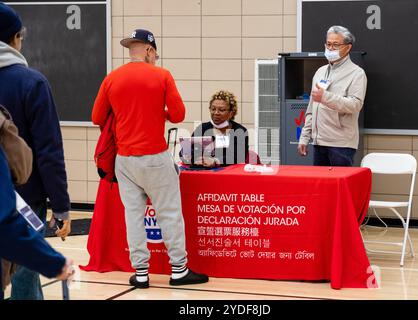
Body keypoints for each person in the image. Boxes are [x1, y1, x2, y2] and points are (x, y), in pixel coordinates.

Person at [91, 29, 208, 288]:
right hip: (155, 156)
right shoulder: (161, 75)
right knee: (169, 213)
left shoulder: (111, 78)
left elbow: (97, 118)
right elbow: (178, 114)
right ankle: (179, 270)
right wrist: (162, 112)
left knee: (133, 215)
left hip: (124, 159)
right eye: (155, 54)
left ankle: (141, 273)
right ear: (149, 50)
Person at [0, 2, 71, 300]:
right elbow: (48, 151)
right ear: (16, 38)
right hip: (24, 202)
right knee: (25, 281)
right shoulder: (32, 82)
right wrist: (61, 204)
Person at [0, 145, 74, 300]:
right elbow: (49, 152)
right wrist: (55, 263)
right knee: (24, 274)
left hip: (22, 196)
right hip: (26, 194)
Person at [298, 25, 367, 167]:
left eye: (335, 45)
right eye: (328, 44)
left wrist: (325, 97)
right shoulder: (320, 72)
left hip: (341, 145)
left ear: (348, 48)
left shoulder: (357, 73)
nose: (330, 48)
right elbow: (312, 108)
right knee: (320, 188)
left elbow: (355, 105)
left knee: (338, 188)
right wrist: (304, 137)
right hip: (319, 142)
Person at [181, 90, 249, 168]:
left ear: (231, 113)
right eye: (213, 109)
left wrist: (215, 161)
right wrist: (189, 156)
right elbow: (186, 151)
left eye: (221, 110)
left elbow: (239, 156)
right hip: (204, 172)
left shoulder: (239, 131)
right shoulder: (202, 128)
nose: (216, 113)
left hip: (229, 174)